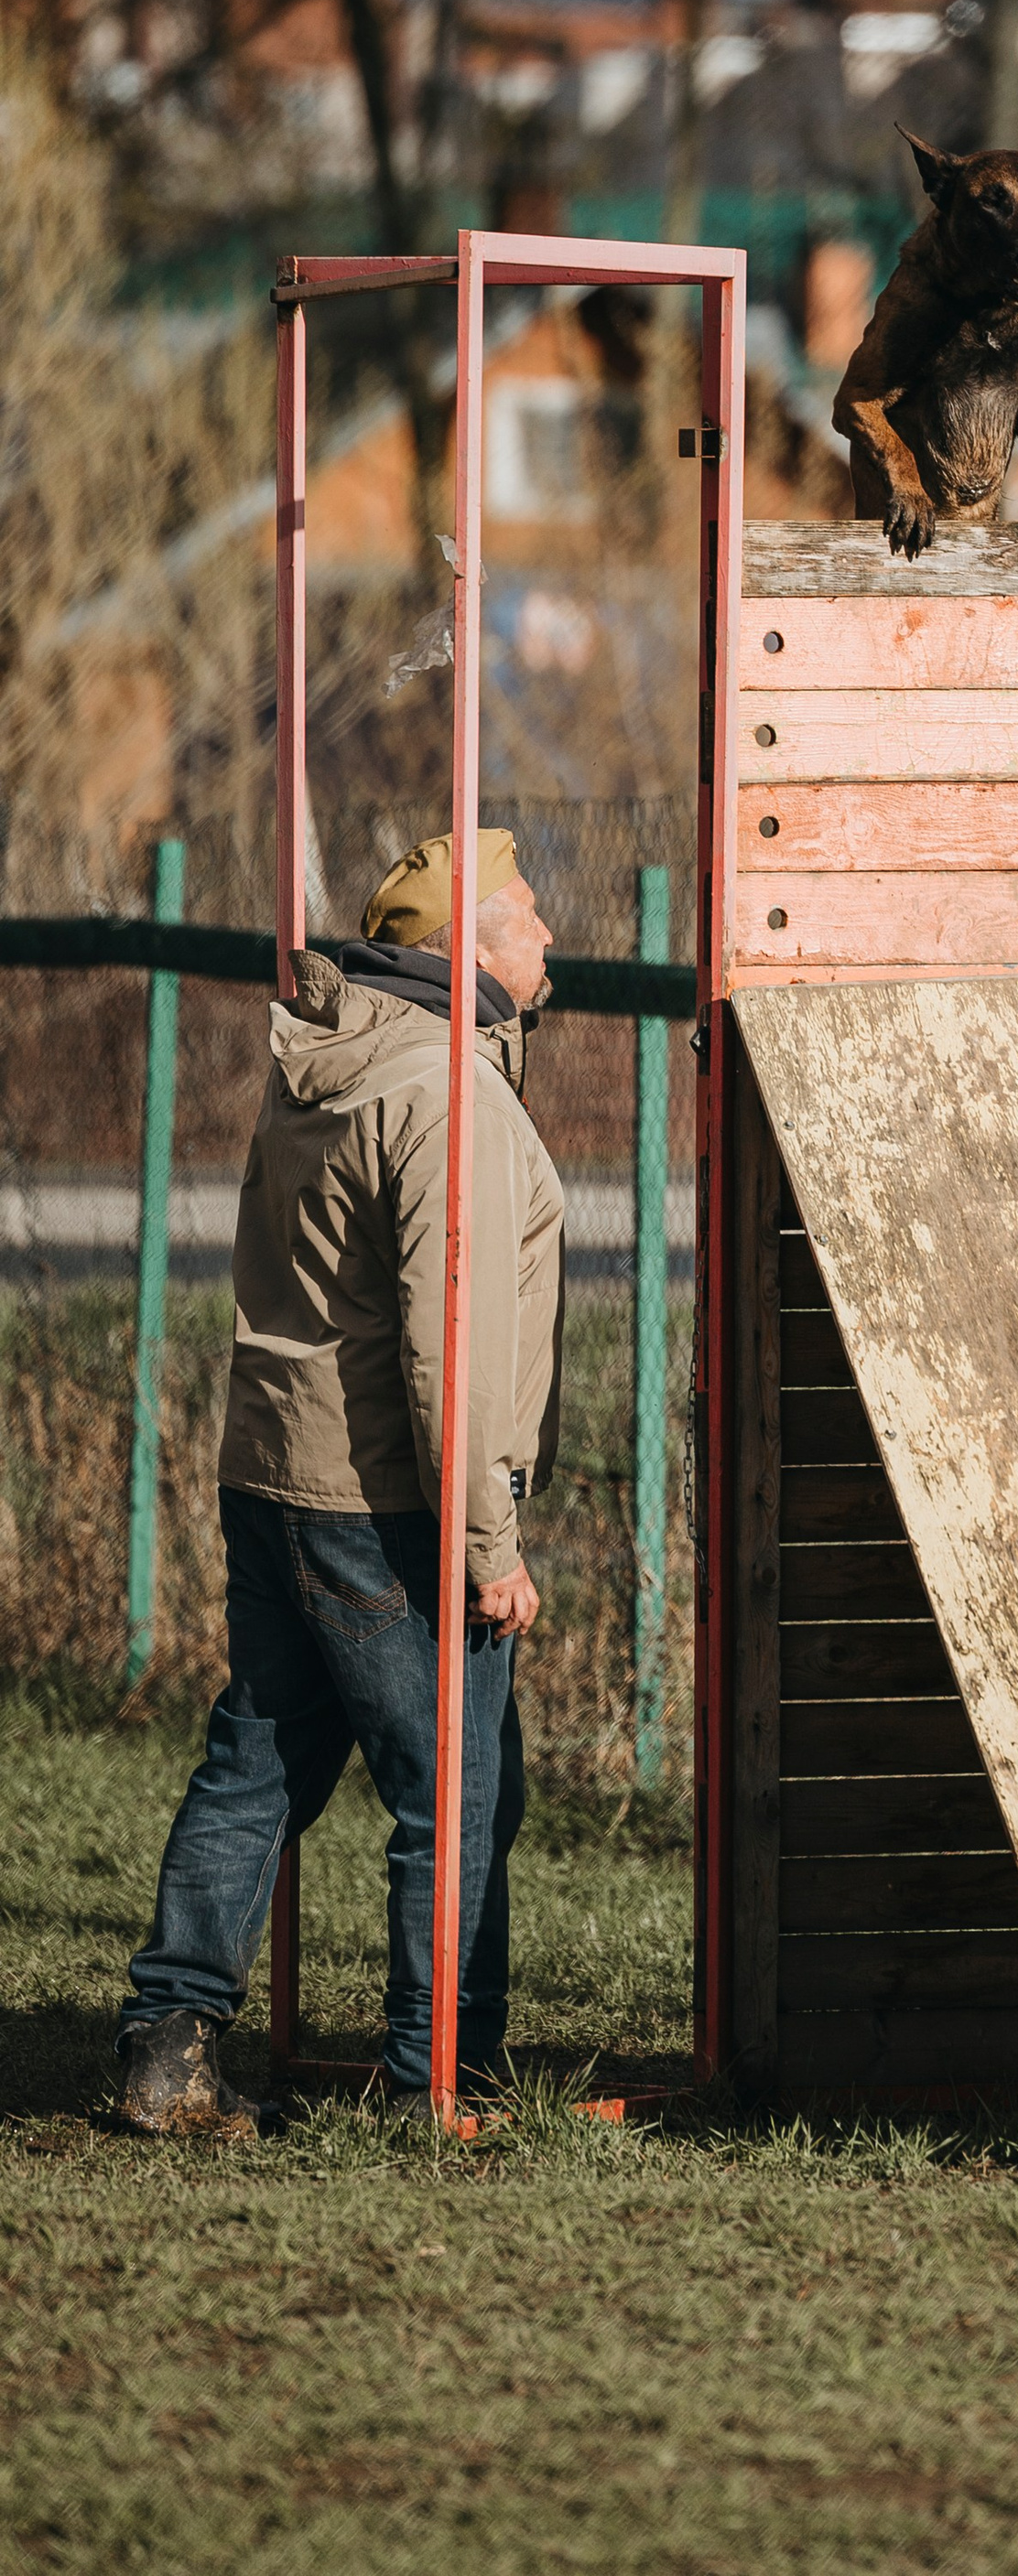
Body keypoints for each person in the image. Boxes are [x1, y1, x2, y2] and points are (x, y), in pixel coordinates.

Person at [114, 830, 564, 2133]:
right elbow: (449, 1344)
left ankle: (166, 2044)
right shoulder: (449, 1095)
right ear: (466, 946)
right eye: (527, 914)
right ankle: (437, 2082)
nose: (548, 935)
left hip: (274, 1469)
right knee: (454, 1793)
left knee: (259, 1759)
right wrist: (488, 1543)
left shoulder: (328, 1062)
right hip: (388, 1500)